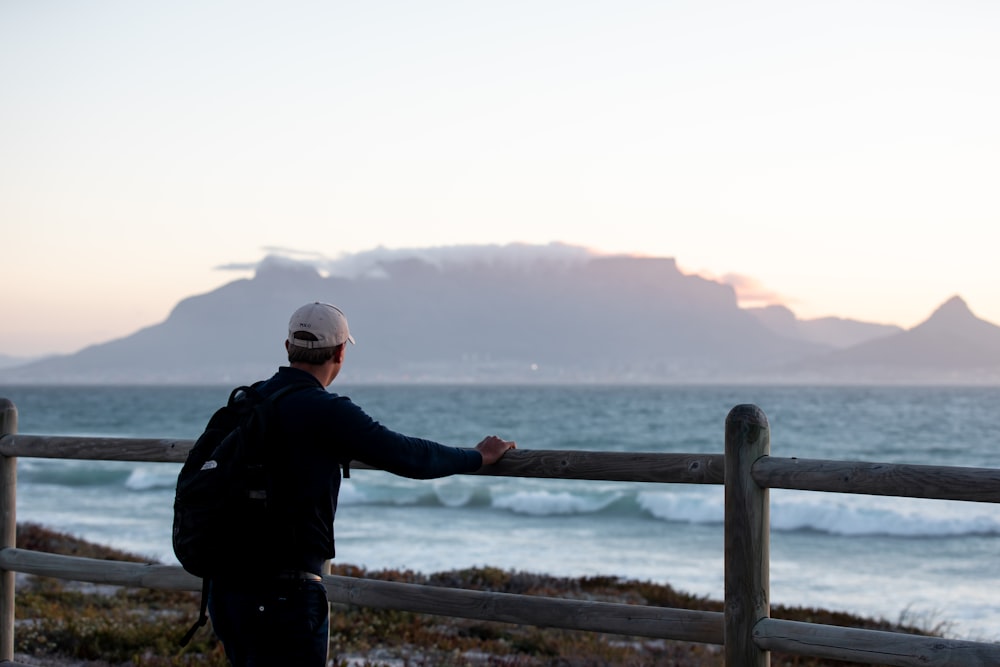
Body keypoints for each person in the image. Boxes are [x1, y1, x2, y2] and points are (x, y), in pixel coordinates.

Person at [206, 301, 516, 666]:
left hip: (225, 586)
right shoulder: (326, 410)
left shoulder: (248, 400)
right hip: (284, 593)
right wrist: (477, 456)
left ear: (288, 347)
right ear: (340, 352)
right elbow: (407, 455)